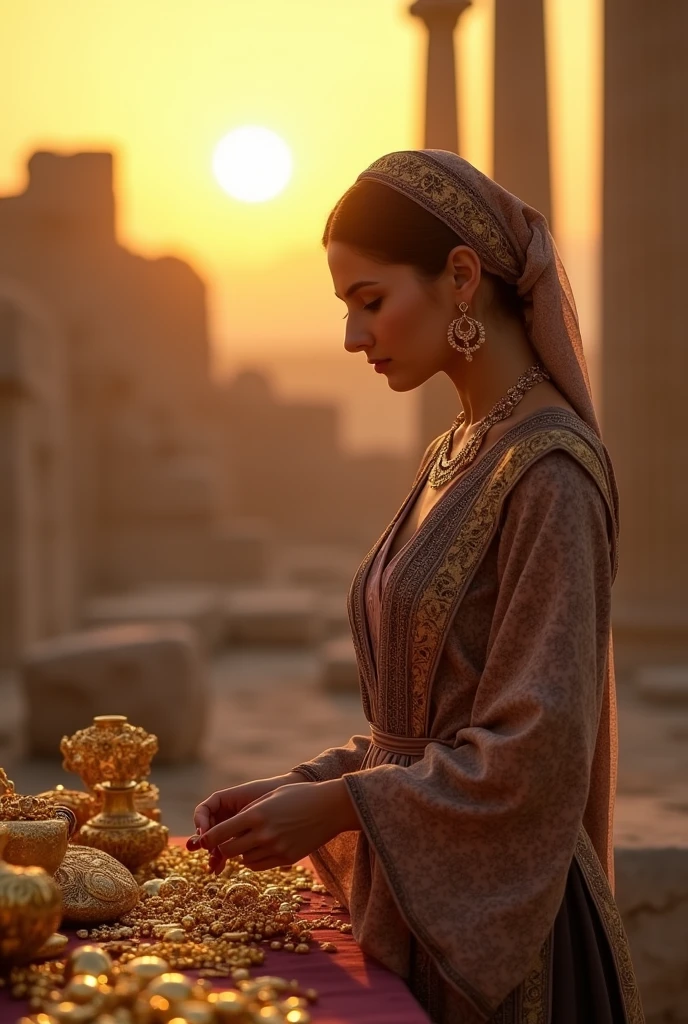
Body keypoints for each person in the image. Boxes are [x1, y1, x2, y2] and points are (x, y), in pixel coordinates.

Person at [191, 151, 644, 1023]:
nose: (354, 339)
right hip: (415, 901)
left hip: (513, 948)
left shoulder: (550, 475)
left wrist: (338, 806)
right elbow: (420, 719)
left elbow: (535, 753)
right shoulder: (459, 449)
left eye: (370, 302)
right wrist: (305, 787)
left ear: (462, 276)